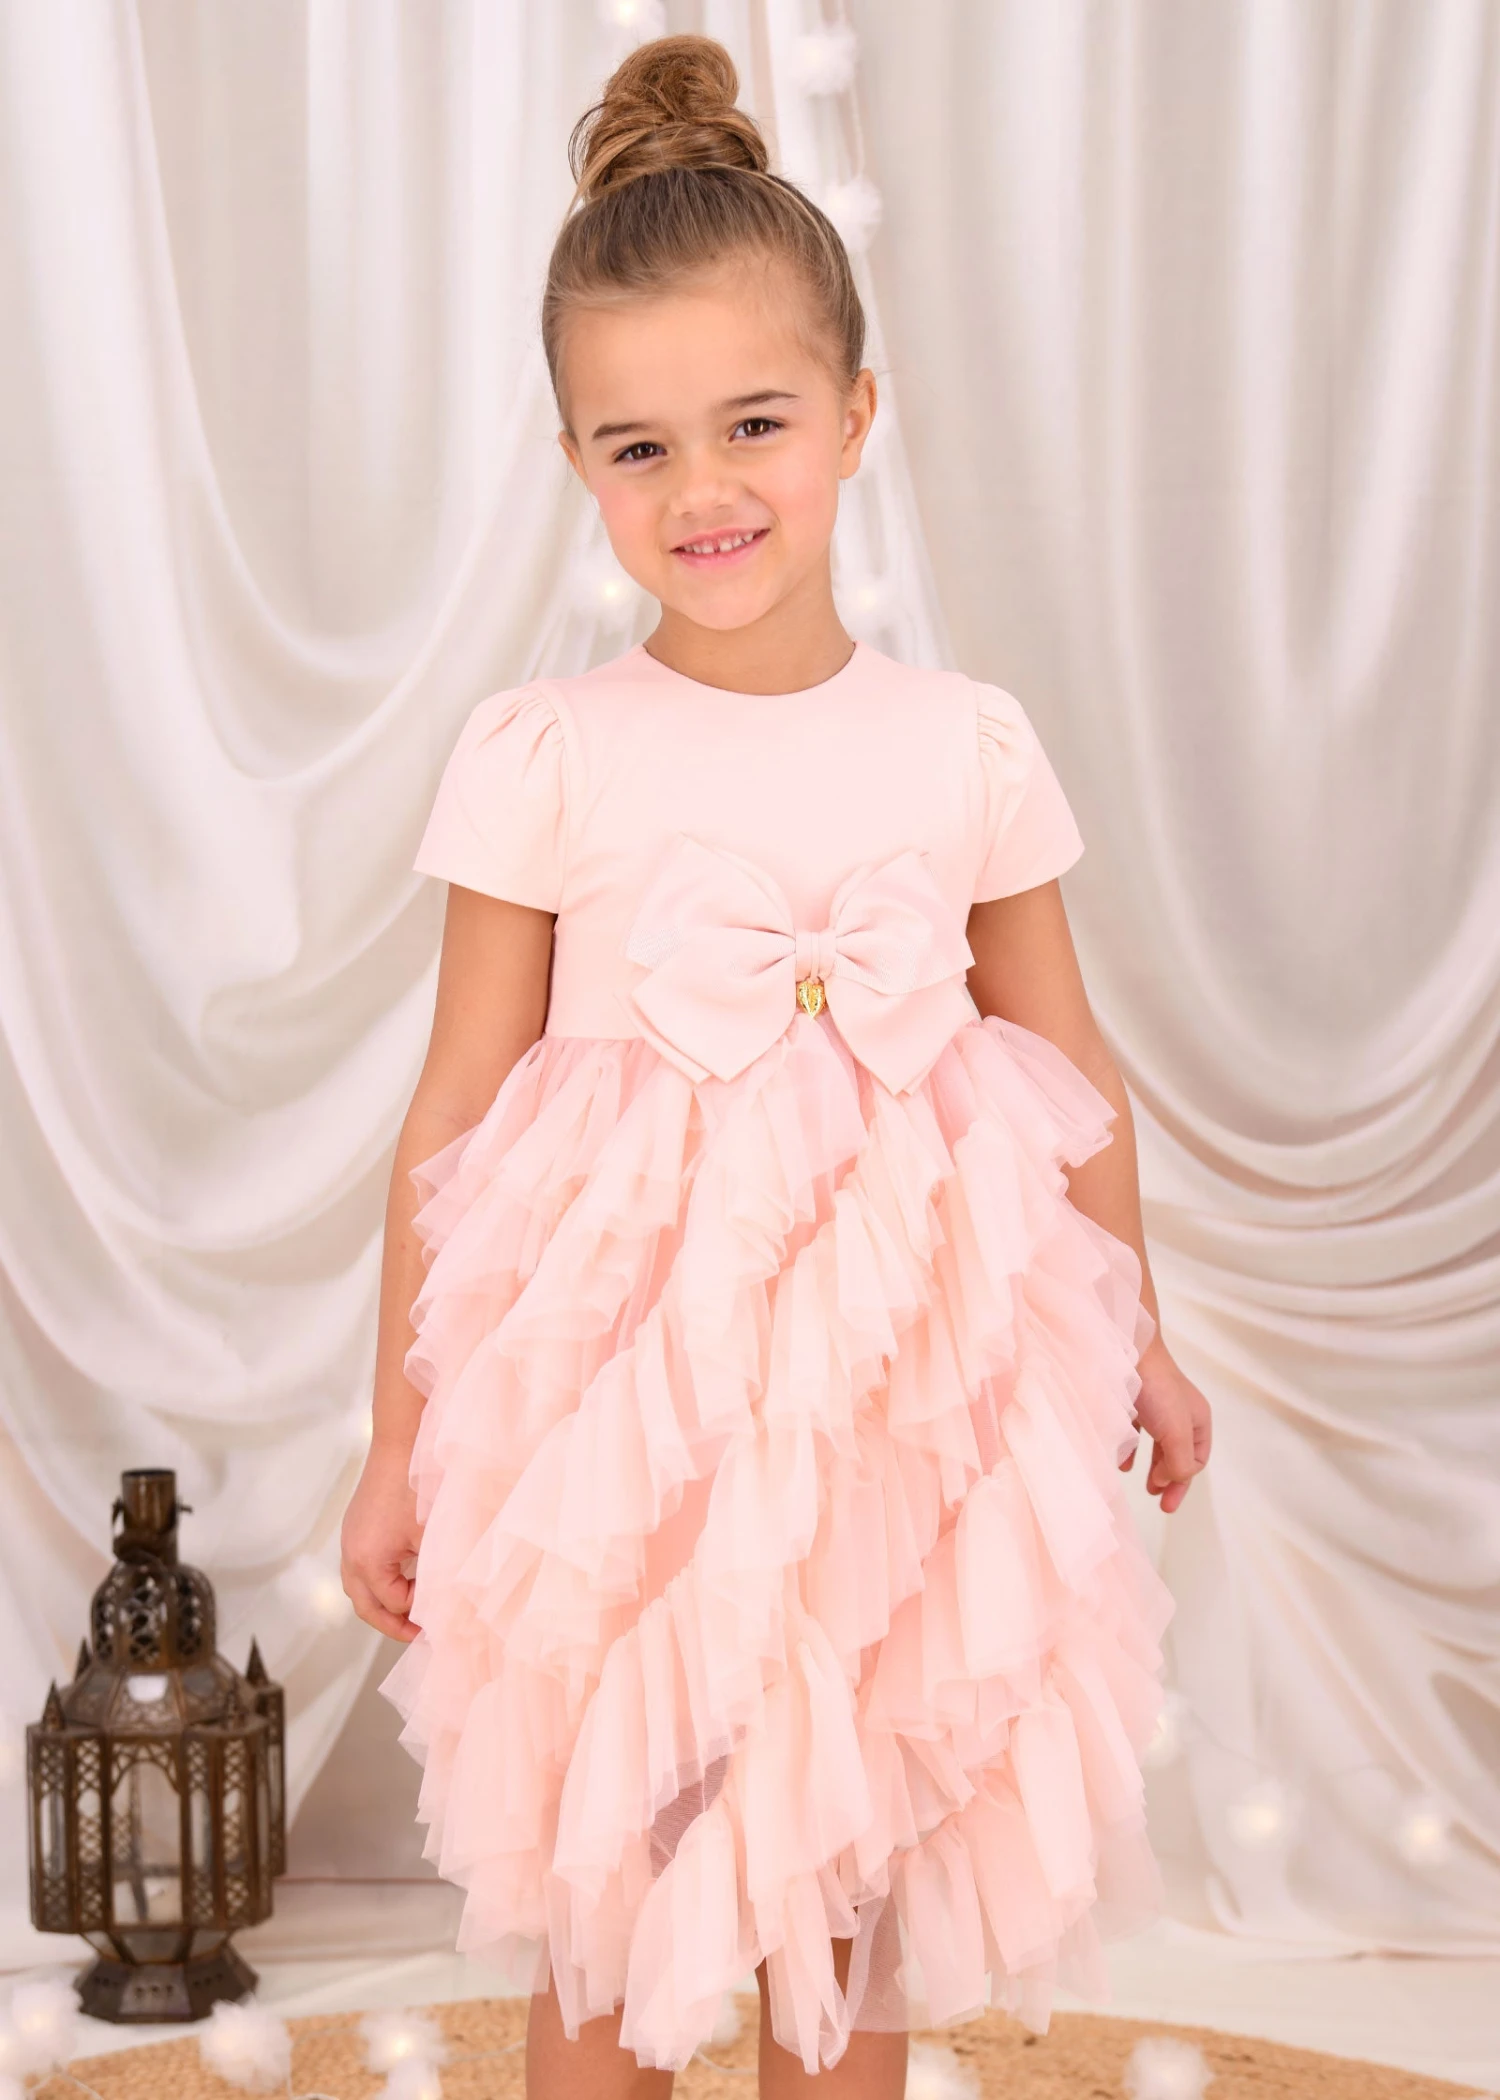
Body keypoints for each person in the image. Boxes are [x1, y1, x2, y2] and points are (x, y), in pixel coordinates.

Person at [340, 32, 1211, 2099]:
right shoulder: (547, 753)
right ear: (578, 465)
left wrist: (1145, 1339)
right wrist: (397, 1439)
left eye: (756, 425)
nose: (704, 491)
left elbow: (1066, 1056)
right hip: (620, 1416)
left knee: (849, 1863)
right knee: (613, 1863)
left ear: (856, 417)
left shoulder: (965, 741)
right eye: (638, 448)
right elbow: (454, 1117)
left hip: (895, 1409)